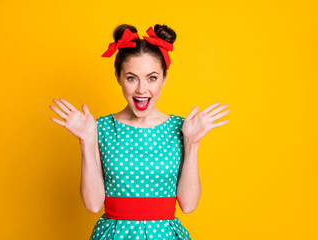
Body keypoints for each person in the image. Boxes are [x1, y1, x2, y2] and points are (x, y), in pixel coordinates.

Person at [49, 23, 230, 239]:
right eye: (131, 78)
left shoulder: (183, 128)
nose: (142, 89)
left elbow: (189, 205)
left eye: (151, 78)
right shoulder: (100, 128)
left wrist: (192, 142)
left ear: (164, 78)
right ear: (118, 77)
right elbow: (93, 204)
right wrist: (87, 140)